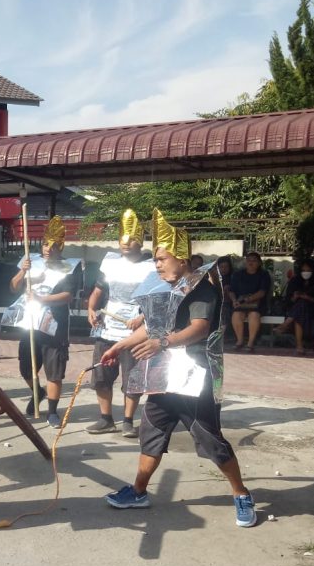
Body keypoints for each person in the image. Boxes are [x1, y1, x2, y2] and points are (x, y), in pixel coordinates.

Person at [100, 210, 256, 528]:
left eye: (162, 258)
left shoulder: (202, 290)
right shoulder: (162, 291)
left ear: (182, 260)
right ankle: (140, 491)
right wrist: (120, 345)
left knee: (210, 439)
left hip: (193, 377)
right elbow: (152, 328)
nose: (156, 264)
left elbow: (200, 328)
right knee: (151, 431)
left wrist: (163, 343)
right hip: (163, 375)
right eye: (155, 259)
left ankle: (241, 494)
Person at [5, 215, 82, 428]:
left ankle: (52, 411)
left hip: (55, 324)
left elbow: (68, 296)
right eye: (46, 243)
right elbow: (14, 287)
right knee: (25, 367)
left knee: (54, 370)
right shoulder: (30, 260)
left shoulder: (70, 267)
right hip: (29, 321)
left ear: (61, 246)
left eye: (54, 245)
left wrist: (41, 298)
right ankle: (37, 392)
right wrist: (23, 270)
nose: (48, 248)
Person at [85, 209, 155, 437]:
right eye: (124, 238)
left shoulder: (151, 266)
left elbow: (155, 300)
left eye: (132, 238)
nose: (126, 243)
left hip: (133, 331)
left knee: (132, 378)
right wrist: (91, 308)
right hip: (107, 328)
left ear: (140, 241)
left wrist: (142, 318)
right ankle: (106, 418)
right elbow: (98, 290)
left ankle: (127, 421)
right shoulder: (110, 261)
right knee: (101, 376)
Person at [228, 252, 271, 351]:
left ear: (259, 263)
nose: (251, 263)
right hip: (240, 304)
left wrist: (248, 299)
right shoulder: (237, 274)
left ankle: (250, 343)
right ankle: (239, 341)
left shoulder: (264, 274)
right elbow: (231, 291)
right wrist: (234, 300)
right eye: (248, 260)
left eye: (254, 260)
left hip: (257, 304)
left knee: (254, 315)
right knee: (236, 315)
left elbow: (262, 292)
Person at [282, 259, 314, 355]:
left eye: (308, 270)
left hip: (313, 308)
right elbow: (288, 301)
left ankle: (287, 323)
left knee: (302, 305)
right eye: (303, 270)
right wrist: (295, 297)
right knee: (300, 309)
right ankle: (299, 345)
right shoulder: (295, 281)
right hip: (297, 309)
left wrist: (306, 297)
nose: (306, 273)